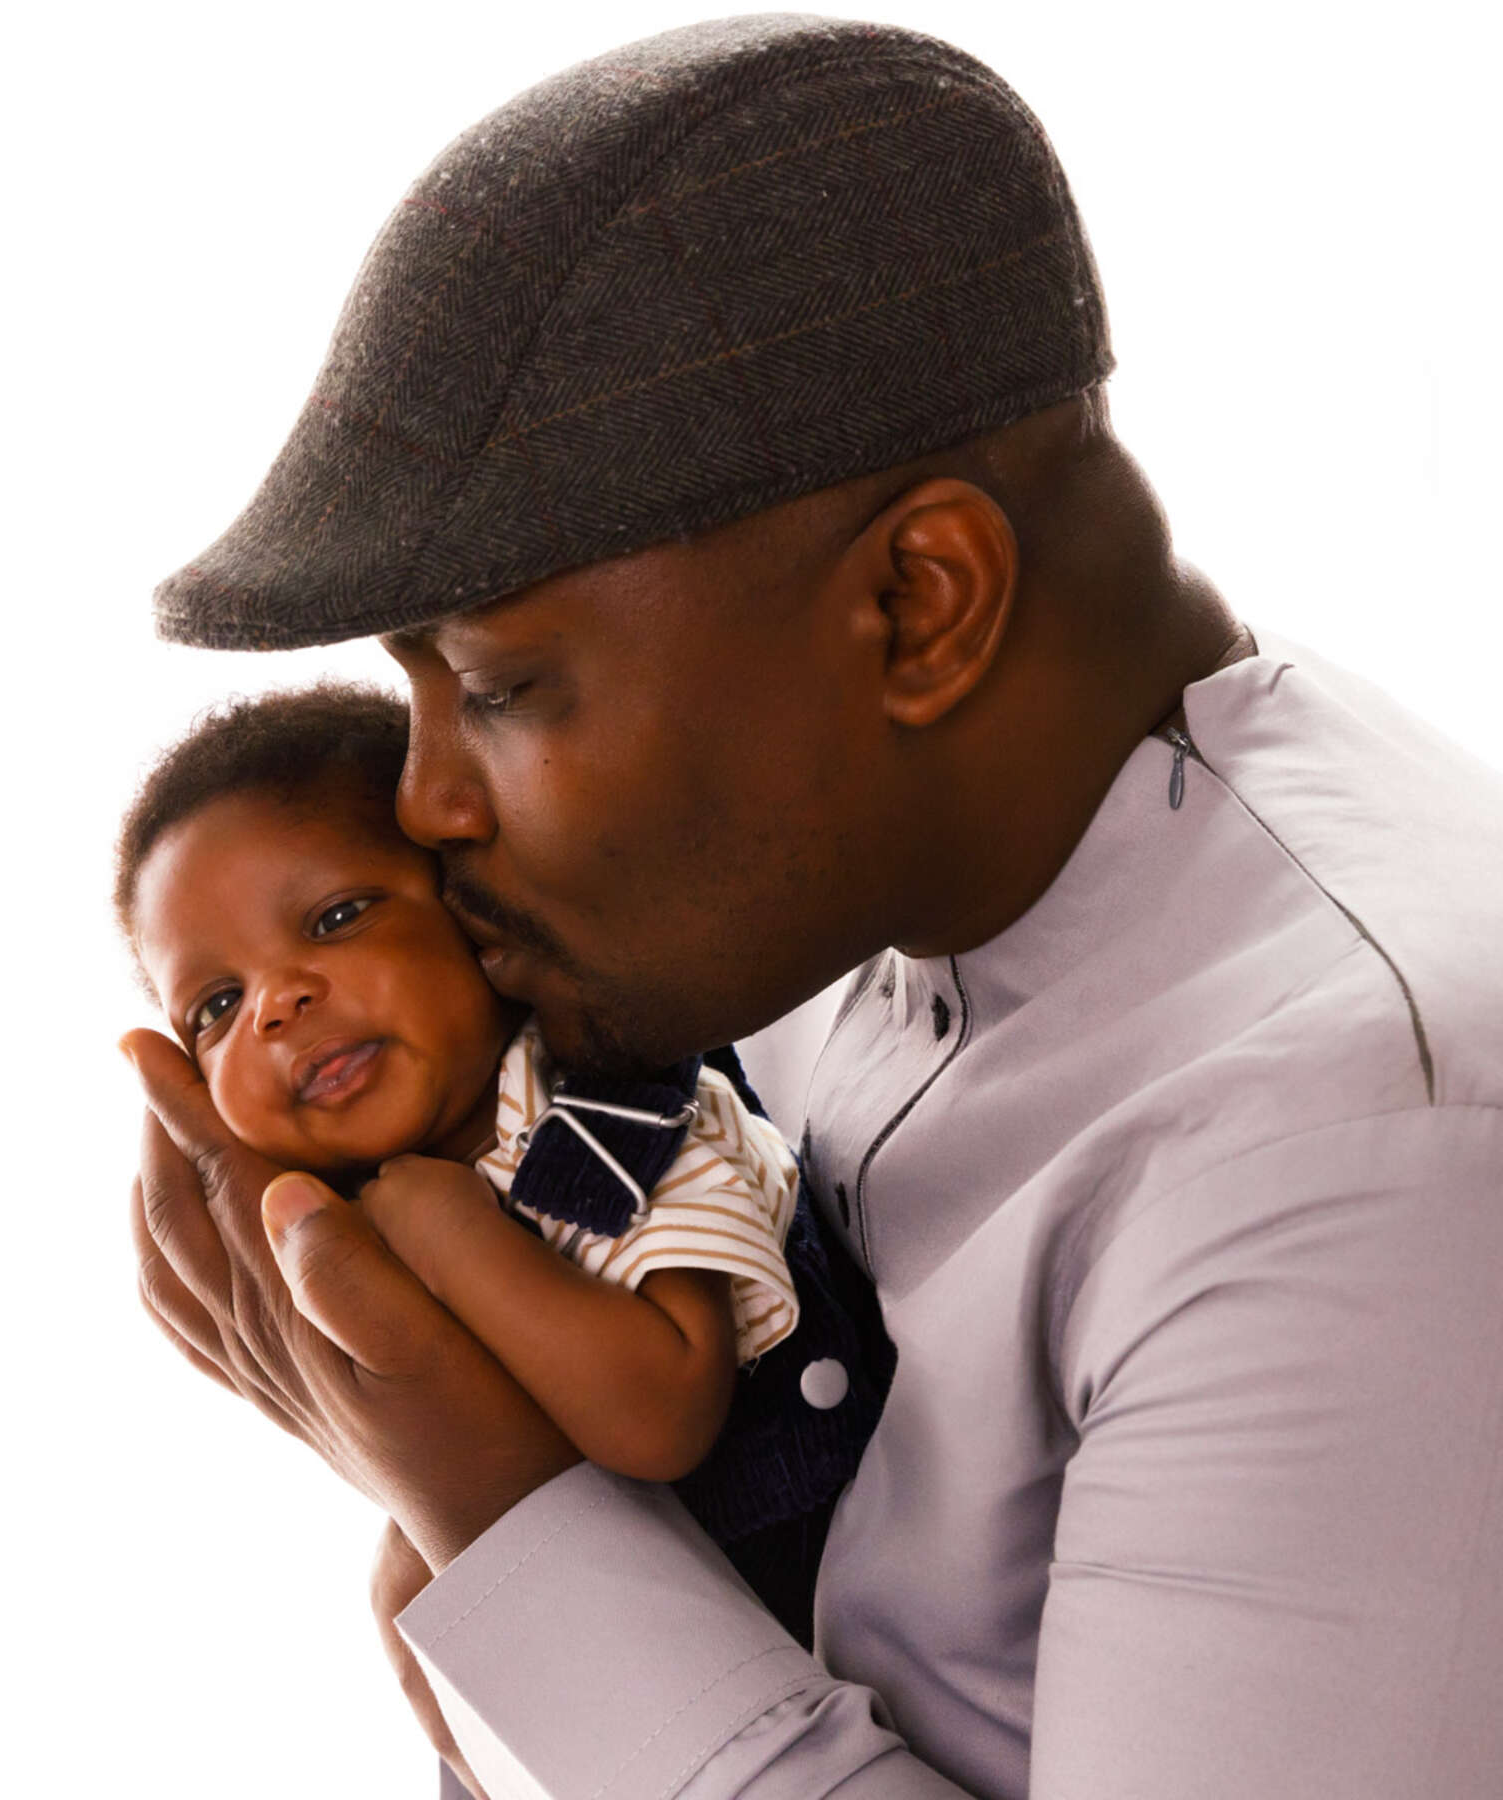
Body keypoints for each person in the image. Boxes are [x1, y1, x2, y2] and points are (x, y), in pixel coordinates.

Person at [122, 16, 1503, 1798]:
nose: (425, 802)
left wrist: (489, 1514)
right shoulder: (830, 863)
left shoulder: (1359, 1159)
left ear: (921, 607)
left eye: (504, 683)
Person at [115, 684, 890, 1647]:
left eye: (335, 917)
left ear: (476, 911)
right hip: (641, 1641)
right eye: (216, 1006)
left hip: (834, 1601)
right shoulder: (360, 1220)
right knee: (405, 1603)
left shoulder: (613, 1108)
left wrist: (455, 1242)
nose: (276, 1003)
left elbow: (660, 1416)